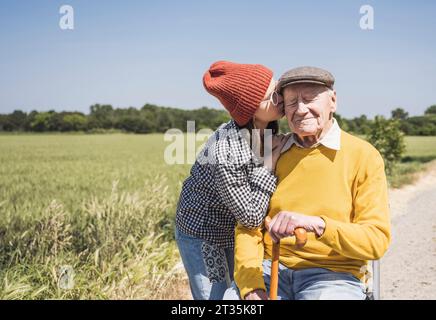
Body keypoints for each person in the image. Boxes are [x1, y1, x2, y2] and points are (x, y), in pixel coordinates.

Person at [225, 66, 391, 300]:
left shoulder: (363, 156)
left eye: (309, 98)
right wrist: (251, 286)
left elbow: (376, 241)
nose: (301, 110)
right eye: (291, 102)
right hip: (269, 269)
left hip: (334, 275)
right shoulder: (273, 152)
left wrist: (318, 225)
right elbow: (248, 226)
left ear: (333, 101)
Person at [175, 61, 289, 300]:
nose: (281, 98)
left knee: (236, 289)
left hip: (231, 229)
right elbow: (249, 218)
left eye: (279, 89)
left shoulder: (265, 130)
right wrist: (268, 165)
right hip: (205, 233)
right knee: (215, 297)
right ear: (249, 108)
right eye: (273, 96)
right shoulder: (227, 151)